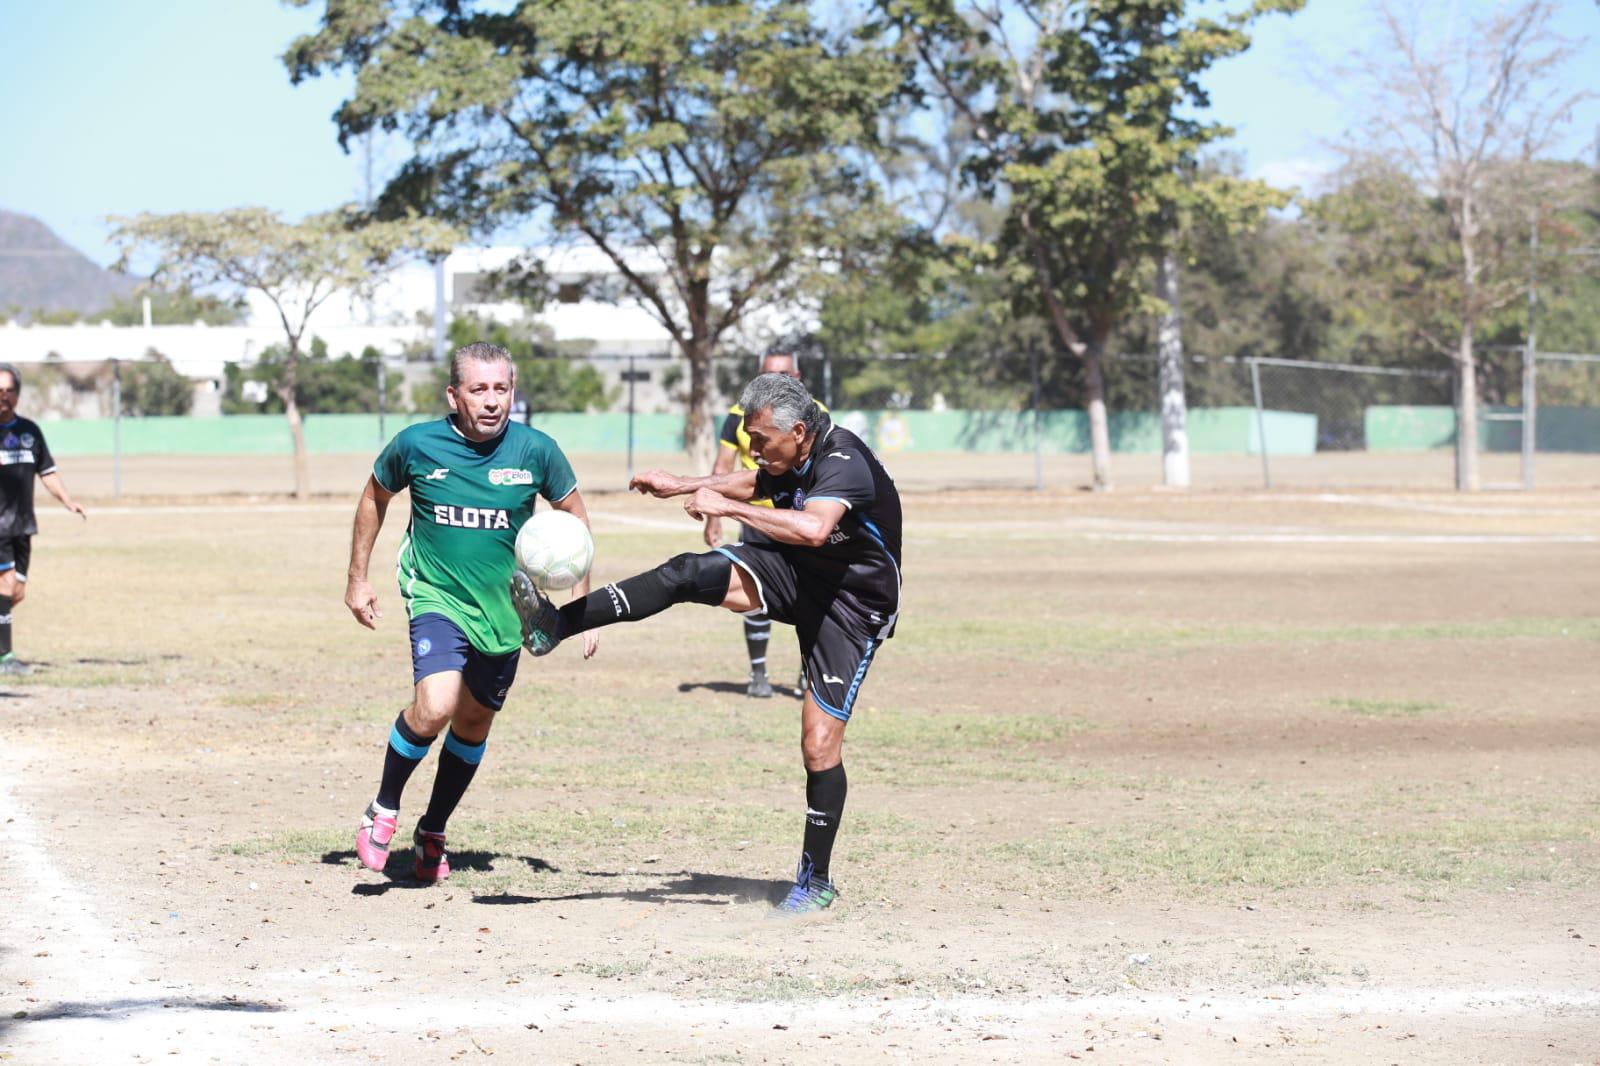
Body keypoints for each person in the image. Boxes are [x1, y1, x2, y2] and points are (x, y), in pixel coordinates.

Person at [513, 372, 901, 914]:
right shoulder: (787, 454)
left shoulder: (845, 461)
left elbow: (814, 528)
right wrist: (681, 484)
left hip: (851, 607)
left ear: (798, 430)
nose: (754, 450)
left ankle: (815, 882)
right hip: (800, 574)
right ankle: (555, 626)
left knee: (818, 746)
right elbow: (757, 481)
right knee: (686, 573)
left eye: (762, 440)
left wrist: (728, 509)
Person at [344, 342, 599, 883]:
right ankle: (383, 808)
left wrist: (582, 601)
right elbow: (374, 498)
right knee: (435, 706)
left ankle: (432, 829)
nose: (491, 401)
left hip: (507, 610)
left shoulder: (537, 450)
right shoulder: (416, 444)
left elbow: (574, 518)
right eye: (478, 390)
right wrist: (358, 578)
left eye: (501, 389)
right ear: (454, 395)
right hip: (437, 595)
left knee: (474, 720)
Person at [701, 350, 818, 698]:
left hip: (800, 520)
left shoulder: (816, 415)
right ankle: (758, 674)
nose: (777, 381)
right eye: (769, 374)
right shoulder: (738, 416)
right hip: (755, 519)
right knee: (753, 596)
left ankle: (808, 674)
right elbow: (723, 467)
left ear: (797, 375)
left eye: (784, 374)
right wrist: (714, 515)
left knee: (812, 598)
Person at [0, 363, 87, 676]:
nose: (4, 396)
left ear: (19, 395)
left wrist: (67, 500)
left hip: (23, 525)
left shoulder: (30, 432)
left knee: (15, 593)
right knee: (6, 587)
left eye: (10, 390)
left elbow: (46, 471)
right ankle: (5, 658)